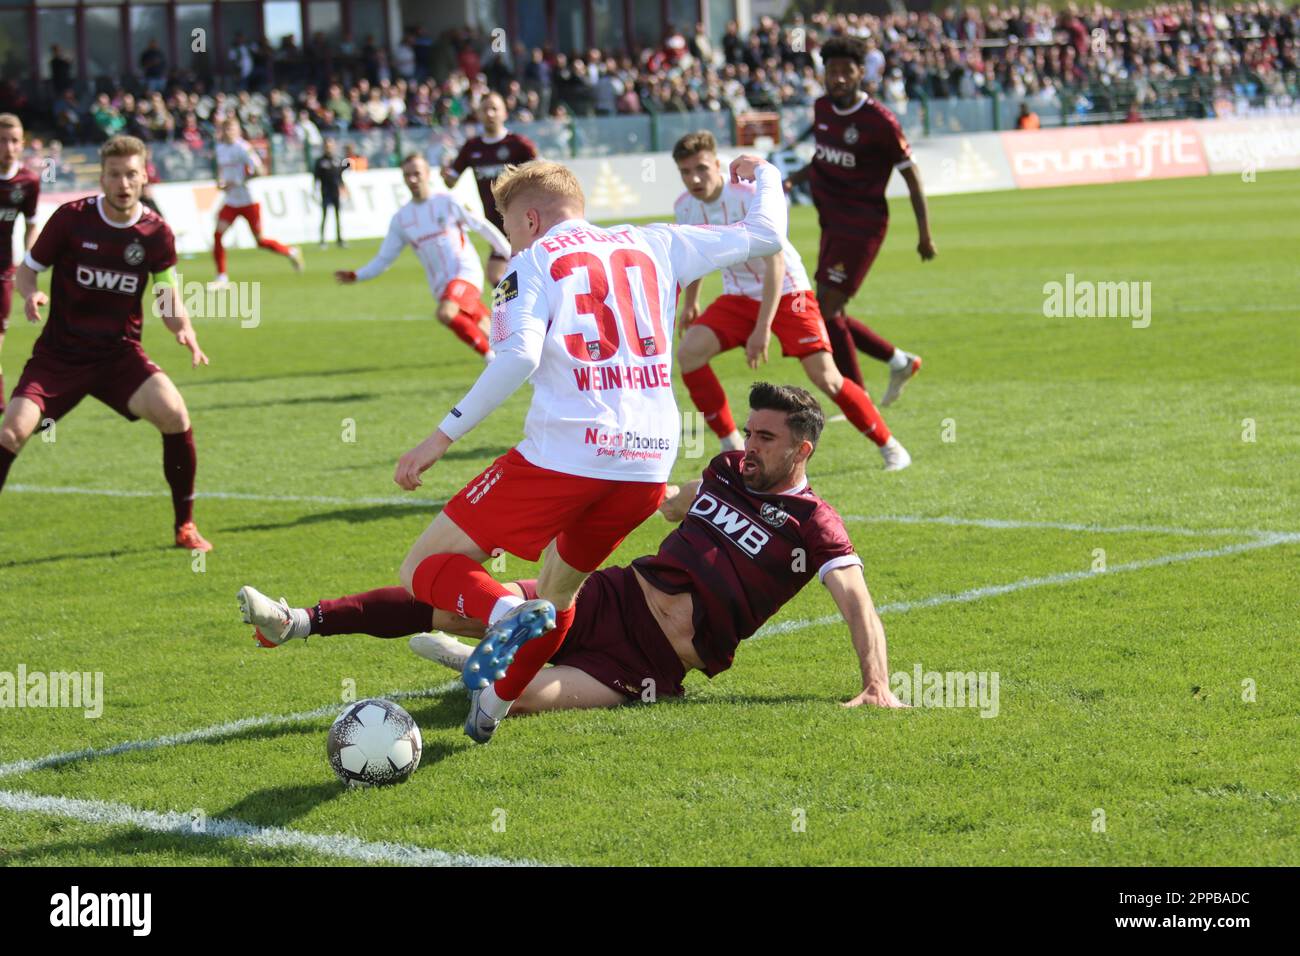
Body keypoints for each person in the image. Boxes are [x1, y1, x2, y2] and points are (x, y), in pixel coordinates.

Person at [245, 154, 788, 745]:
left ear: (529, 219)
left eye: (505, 225)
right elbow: (765, 236)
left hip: (564, 455)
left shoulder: (529, 264)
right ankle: (495, 705)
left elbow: (518, 358)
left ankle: (503, 615)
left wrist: (439, 437)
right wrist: (763, 173)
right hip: (648, 465)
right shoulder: (657, 241)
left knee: (423, 569)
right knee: (559, 593)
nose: (507, 238)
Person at [237, 384, 906, 713]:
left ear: (801, 449)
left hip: (650, 665)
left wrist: (875, 685)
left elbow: (857, 605)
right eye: (750, 432)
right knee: (438, 599)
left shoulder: (816, 525)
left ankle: (479, 661)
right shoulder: (726, 472)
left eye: (765, 438)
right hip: (608, 597)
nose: (749, 446)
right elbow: (669, 502)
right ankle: (296, 622)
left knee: (524, 696)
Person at [0, 135, 212, 551]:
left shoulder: (155, 232)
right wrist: (30, 293)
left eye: (132, 174)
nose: (123, 183)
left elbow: (167, 292)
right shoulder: (71, 219)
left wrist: (182, 329)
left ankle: (184, 526)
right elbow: (27, 270)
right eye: (114, 174)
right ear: (102, 176)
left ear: (143, 175)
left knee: (174, 414)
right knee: (11, 432)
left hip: (119, 357)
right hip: (60, 357)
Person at [672, 131, 909, 470]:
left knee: (825, 375)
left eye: (702, 168)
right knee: (689, 354)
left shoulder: (751, 195)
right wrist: (691, 303)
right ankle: (732, 445)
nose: (694, 178)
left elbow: (776, 263)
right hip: (738, 295)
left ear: (717, 164)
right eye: (685, 171)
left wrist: (761, 329)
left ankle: (889, 445)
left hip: (788, 292)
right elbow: (694, 254)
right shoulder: (685, 206)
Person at [783, 36, 933, 407]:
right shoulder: (822, 108)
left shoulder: (879, 121)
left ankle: (857, 397)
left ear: (860, 73)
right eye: (831, 71)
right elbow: (822, 160)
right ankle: (899, 361)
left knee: (828, 310)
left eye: (846, 71)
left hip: (862, 226)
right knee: (831, 310)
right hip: (830, 222)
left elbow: (911, 177)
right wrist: (791, 180)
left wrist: (924, 235)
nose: (838, 78)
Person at [333, 153, 509, 361]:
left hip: (465, 273)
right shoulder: (401, 219)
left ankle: (490, 360)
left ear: (427, 174)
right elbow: (384, 259)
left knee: (445, 313)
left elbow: (482, 227)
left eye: (417, 173)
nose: (413, 179)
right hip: (440, 286)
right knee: (490, 330)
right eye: (407, 175)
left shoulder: (448, 201)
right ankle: (518, 357)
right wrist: (357, 275)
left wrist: (510, 254)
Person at [444, 92, 538, 288]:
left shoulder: (518, 145)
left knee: (501, 274)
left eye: (494, 108)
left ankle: (516, 313)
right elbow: (451, 180)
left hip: (521, 221)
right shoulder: (472, 147)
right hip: (494, 225)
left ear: (504, 112)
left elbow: (541, 174)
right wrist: (445, 173)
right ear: (478, 114)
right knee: (502, 278)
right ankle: (517, 313)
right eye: (485, 109)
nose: (490, 113)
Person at [210, 117, 303, 286]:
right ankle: (222, 277)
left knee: (260, 241)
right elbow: (221, 170)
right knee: (217, 235)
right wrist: (220, 181)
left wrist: (239, 180)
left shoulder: (243, 148)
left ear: (238, 131)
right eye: (226, 129)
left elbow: (260, 170)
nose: (229, 132)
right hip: (231, 200)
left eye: (232, 129)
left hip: (249, 200)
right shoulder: (220, 148)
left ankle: (291, 251)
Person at [0, 113, 40, 414]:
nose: (9, 147)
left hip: (3, 272)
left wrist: (29, 261)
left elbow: (32, 224)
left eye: (14, 141)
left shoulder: (28, 182)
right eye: (2, 141)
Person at [313, 138, 348, 249]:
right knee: (324, 216)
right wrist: (315, 190)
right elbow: (316, 178)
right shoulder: (320, 161)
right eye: (327, 146)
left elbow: (340, 176)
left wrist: (344, 187)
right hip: (325, 192)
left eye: (331, 146)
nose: (329, 148)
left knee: (338, 217)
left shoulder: (337, 160)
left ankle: (339, 239)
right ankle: (322, 240)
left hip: (335, 192)